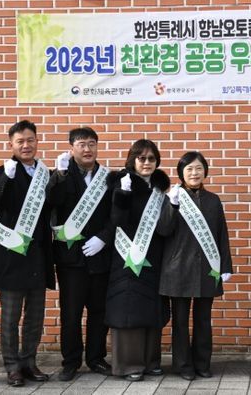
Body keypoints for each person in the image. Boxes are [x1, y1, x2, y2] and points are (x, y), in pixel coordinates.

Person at [0, 120, 56, 386]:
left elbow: (56, 205)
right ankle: (12, 366)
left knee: (35, 316)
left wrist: (61, 178)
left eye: (30, 140)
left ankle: (29, 362)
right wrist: (7, 178)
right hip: (12, 255)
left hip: (38, 254)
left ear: (37, 141)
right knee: (10, 317)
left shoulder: (46, 174)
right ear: (11, 145)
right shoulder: (0, 173)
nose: (26, 145)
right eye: (20, 141)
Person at [45, 127, 113, 381]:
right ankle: (71, 361)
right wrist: (59, 175)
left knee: (99, 311)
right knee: (71, 313)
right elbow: (51, 202)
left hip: (100, 255)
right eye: (82, 144)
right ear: (71, 148)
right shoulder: (61, 174)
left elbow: (116, 215)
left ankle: (96, 358)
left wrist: (104, 238)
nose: (87, 149)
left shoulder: (108, 178)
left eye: (92, 144)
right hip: (70, 258)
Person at [158, 151, 233, 381]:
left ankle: (202, 363)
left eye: (199, 168)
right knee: (180, 321)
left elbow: (221, 234)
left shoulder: (213, 200)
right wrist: (173, 205)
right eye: (189, 169)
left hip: (206, 268)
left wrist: (225, 265)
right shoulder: (171, 197)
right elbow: (163, 230)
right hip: (178, 268)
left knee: (203, 319)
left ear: (205, 172)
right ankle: (183, 365)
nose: (194, 173)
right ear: (181, 172)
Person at [105, 139, 170, 382]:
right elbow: (118, 221)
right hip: (128, 255)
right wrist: (122, 194)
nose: (146, 162)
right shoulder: (122, 184)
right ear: (132, 160)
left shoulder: (159, 191)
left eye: (151, 158)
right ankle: (129, 364)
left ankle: (151, 361)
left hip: (154, 255)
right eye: (141, 158)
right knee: (129, 309)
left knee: (151, 308)